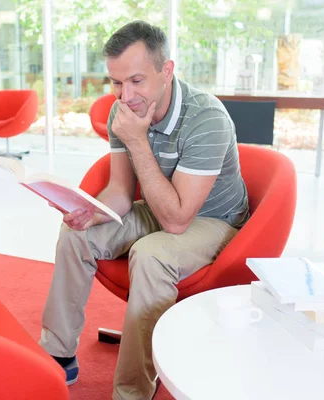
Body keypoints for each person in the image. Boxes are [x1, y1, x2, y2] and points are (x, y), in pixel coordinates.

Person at [39, 20, 249, 399]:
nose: (126, 95)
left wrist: (137, 141)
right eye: (116, 83)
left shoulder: (207, 119)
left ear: (166, 71)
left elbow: (177, 219)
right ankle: (58, 354)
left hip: (212, 220)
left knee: (150, 254)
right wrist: (91, 212)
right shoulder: (122, 112)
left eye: (136, 80)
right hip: (160, 203)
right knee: (76, 234)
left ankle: (132, 391)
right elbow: (120, 192)